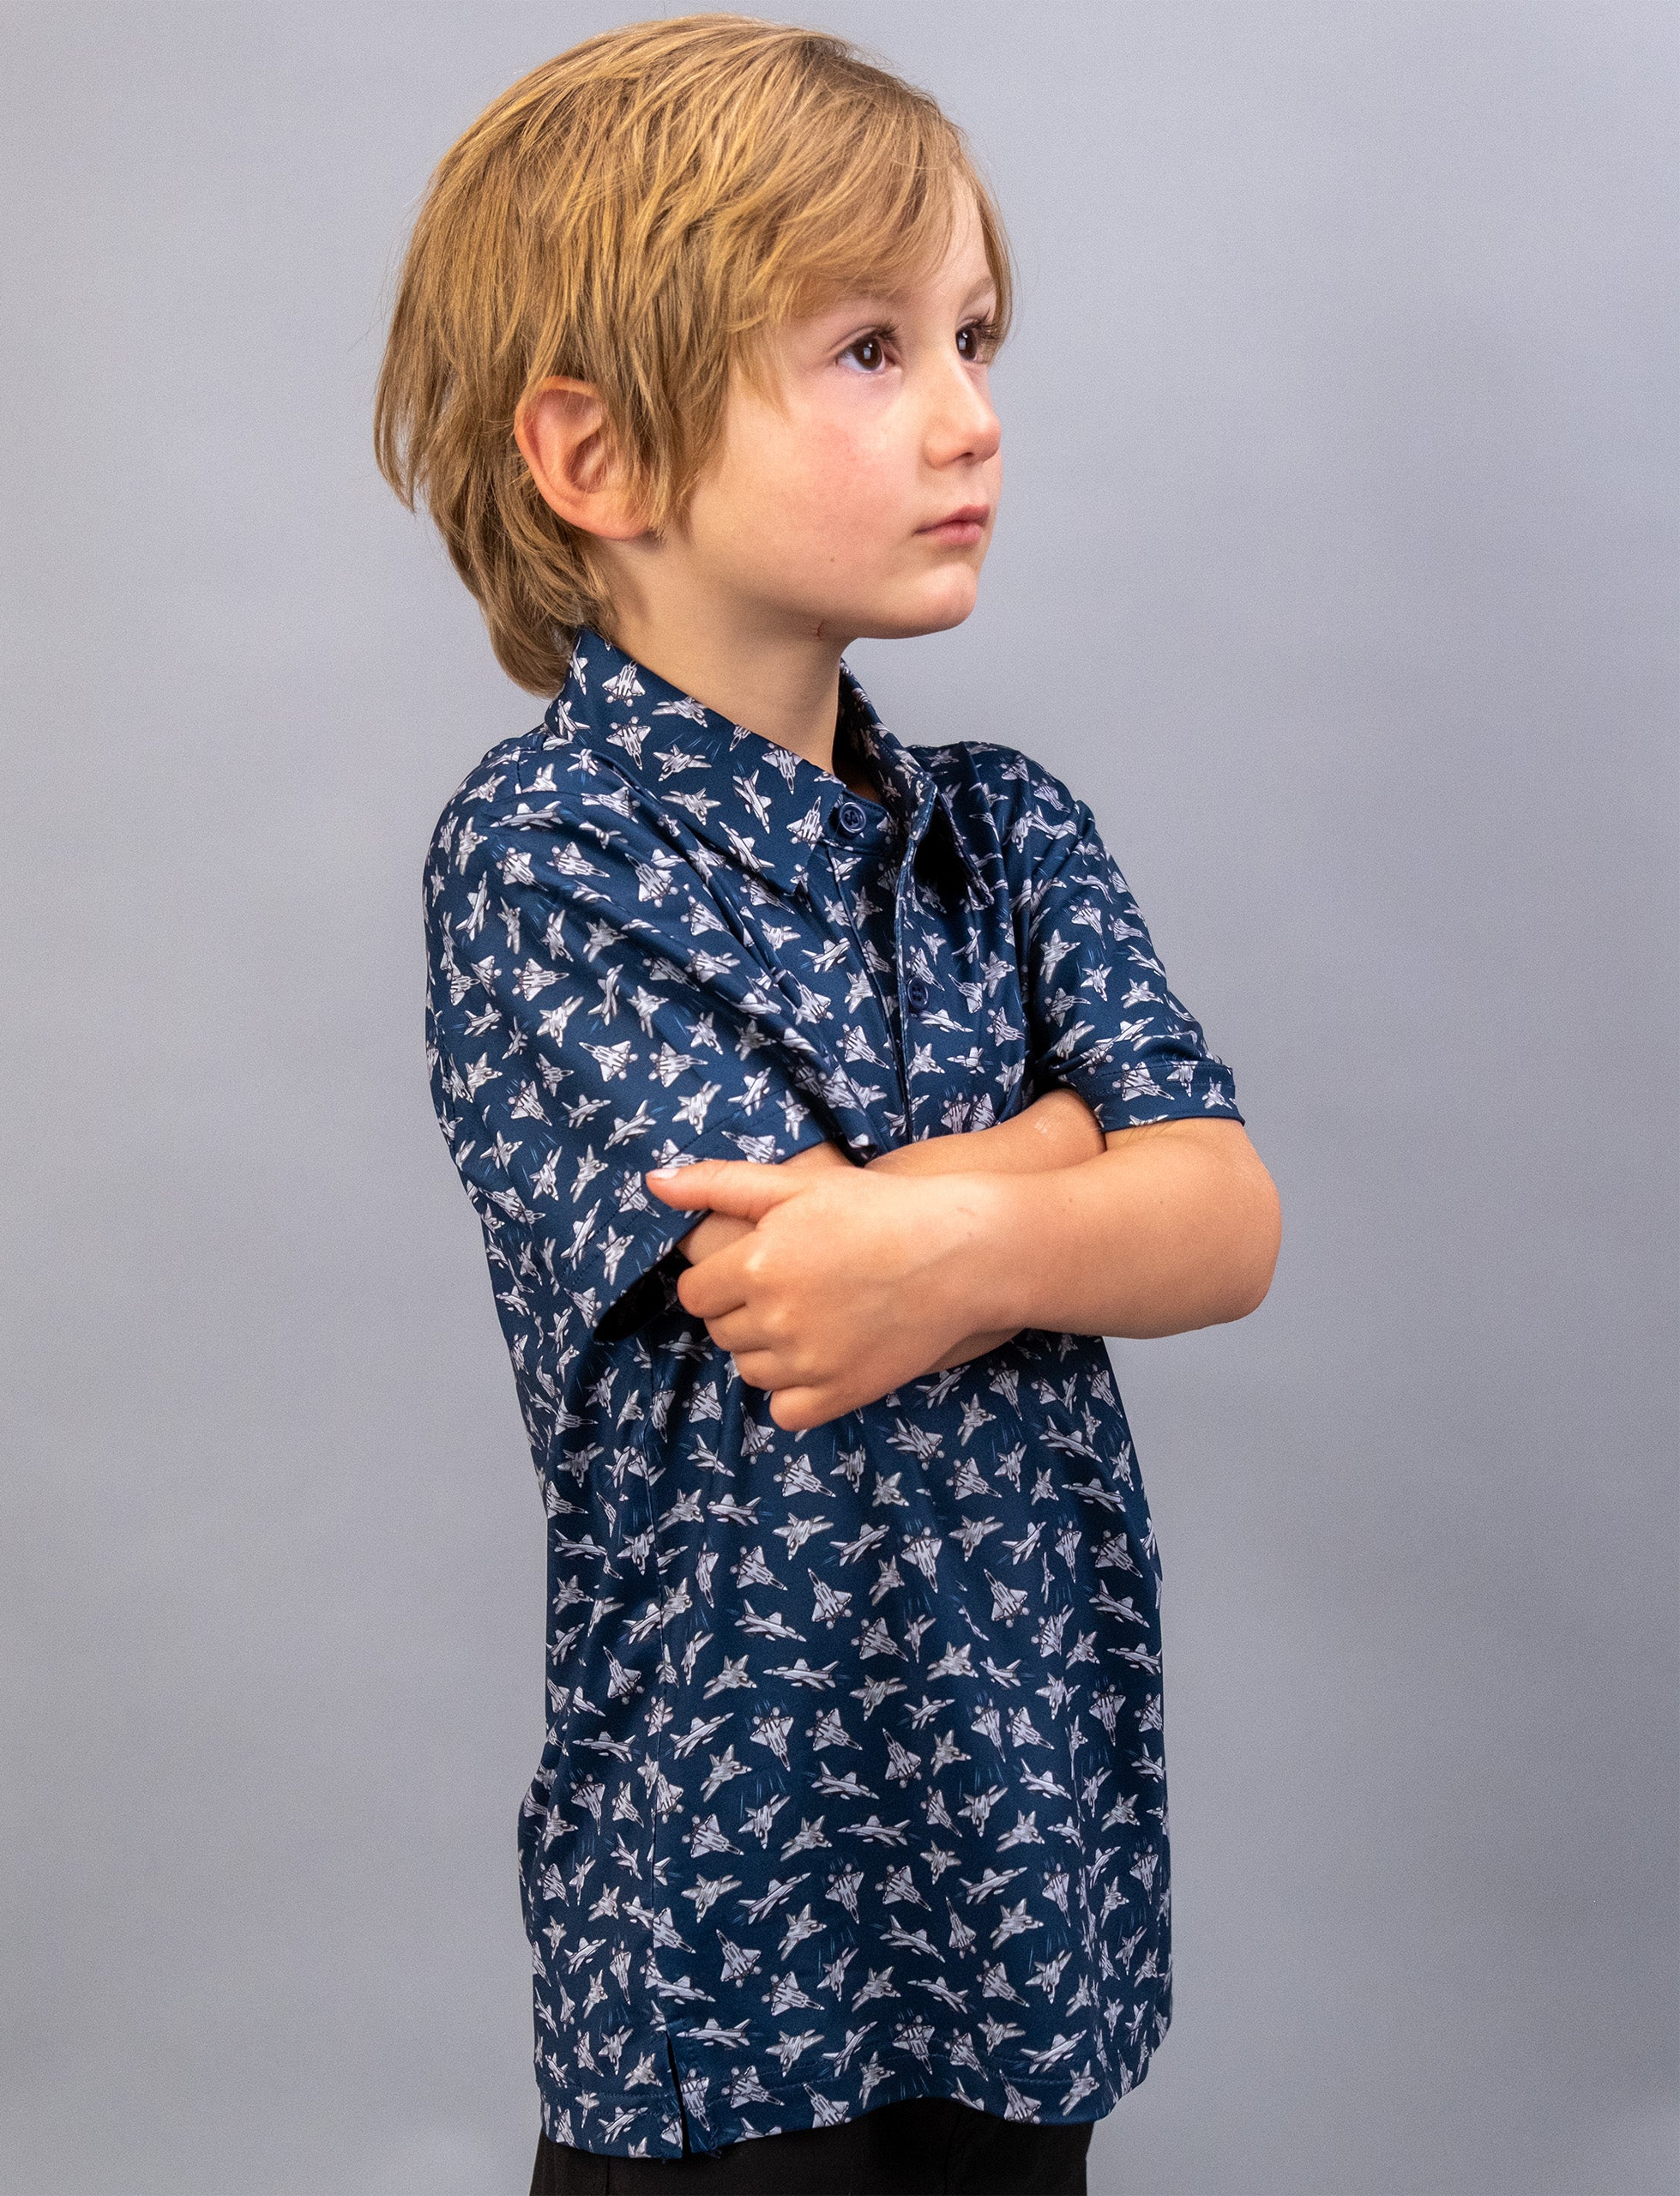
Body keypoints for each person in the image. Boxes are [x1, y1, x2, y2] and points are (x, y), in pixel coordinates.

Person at [376, 16, 1281, 2192]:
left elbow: (1227, 1215)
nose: (972, 412)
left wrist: (950, 1229)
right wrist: (1072, 1158)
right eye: (871, 350)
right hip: (719, 1930)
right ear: (594, 456)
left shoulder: (1009, 833)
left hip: (1014, 1880)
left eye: (974, 335)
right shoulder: (545, 851)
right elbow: (777, 1288)